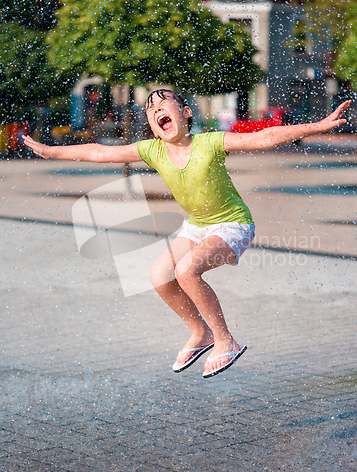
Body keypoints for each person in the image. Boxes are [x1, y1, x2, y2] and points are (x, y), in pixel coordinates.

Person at [23, 90, 351, 378]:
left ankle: (226, 341)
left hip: (233, 224)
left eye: (163, 105)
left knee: (187, 271)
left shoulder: (209, 142)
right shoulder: (153, 150)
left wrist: (318, 126)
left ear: (186, 113)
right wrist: (52, 152)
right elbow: (99, 152)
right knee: (159, 275)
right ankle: (201, 333)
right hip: (197, 226)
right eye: (151, 111)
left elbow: (262, 137)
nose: (156, 111)